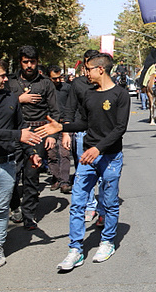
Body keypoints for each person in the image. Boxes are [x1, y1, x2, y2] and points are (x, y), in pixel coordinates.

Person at [36, 53, 130, 270]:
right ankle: (75, 249)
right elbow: (84, 123)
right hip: (88, 157)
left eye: (88, 69)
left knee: (109, 202)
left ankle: (107, 242)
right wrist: (62, 127)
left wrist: (99, 149)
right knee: (78, 203)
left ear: (100, 69)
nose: (85, 73)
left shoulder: (120, 94)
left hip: (110, 157)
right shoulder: (88, 95)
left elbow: (119, 129)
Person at [0, 58, 42, 268]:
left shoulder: (11, 98)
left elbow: (22, 128)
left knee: (1, 210)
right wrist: (16, 135)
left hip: (7, 165)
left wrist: (31, 152)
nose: (5, 79)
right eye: (1, 75)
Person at [7, 45, 58, 230]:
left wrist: (53, 134)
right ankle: (15, 207)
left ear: (37, 62)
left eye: (32, 62)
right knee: (10, 174)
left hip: (37, 132)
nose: (29, 65)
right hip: (14, 133)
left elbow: (55, 111)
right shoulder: (10, 83)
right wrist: (19, 99)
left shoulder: (45, 83)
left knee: (32, 174)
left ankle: (29, 214)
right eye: (25, 62)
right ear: (20, 62)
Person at [64, 50, 102, 223]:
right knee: (84, 173)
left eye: (91, 68)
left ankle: (103, 209)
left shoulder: (107, 84)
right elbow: (70, 108)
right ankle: (89, 205)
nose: (88, 72)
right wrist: (65, 131)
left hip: (102, 134)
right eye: (86, 67)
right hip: (81, 134)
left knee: (104, 174)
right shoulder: (78, 84)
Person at [47, 65, 72, 193]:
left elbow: (71, 106)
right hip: (50, 124)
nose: (57, 81)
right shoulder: (45, 89)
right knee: (51, 153)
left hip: (64, 124)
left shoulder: (67, 88)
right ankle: (56, 177)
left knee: (65, 153)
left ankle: (64, 181)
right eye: (54, 78)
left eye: (59, 78)